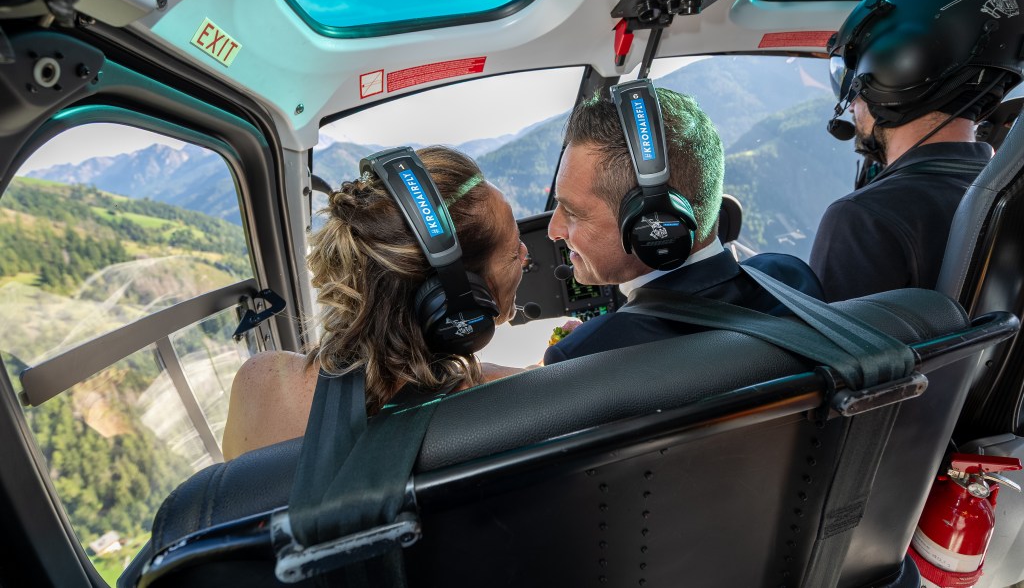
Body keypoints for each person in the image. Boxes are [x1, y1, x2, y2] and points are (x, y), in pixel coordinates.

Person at [222, 146, 527, 459]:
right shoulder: (513, 395)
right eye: (515, 252)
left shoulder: (258, 384)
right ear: (454, 297)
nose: (526, 255)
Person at [543, 86, 823, 365]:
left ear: (650, 221)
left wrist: (580, 351)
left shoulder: (586, 359)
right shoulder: (791, 280)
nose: (554, 230)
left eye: (573, 212)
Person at [811, 0, 1024, 302]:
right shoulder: (1010, 195)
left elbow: (827, 337)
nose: (851, 105)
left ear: (894, 68)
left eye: (854, 82)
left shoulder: (865, 218)